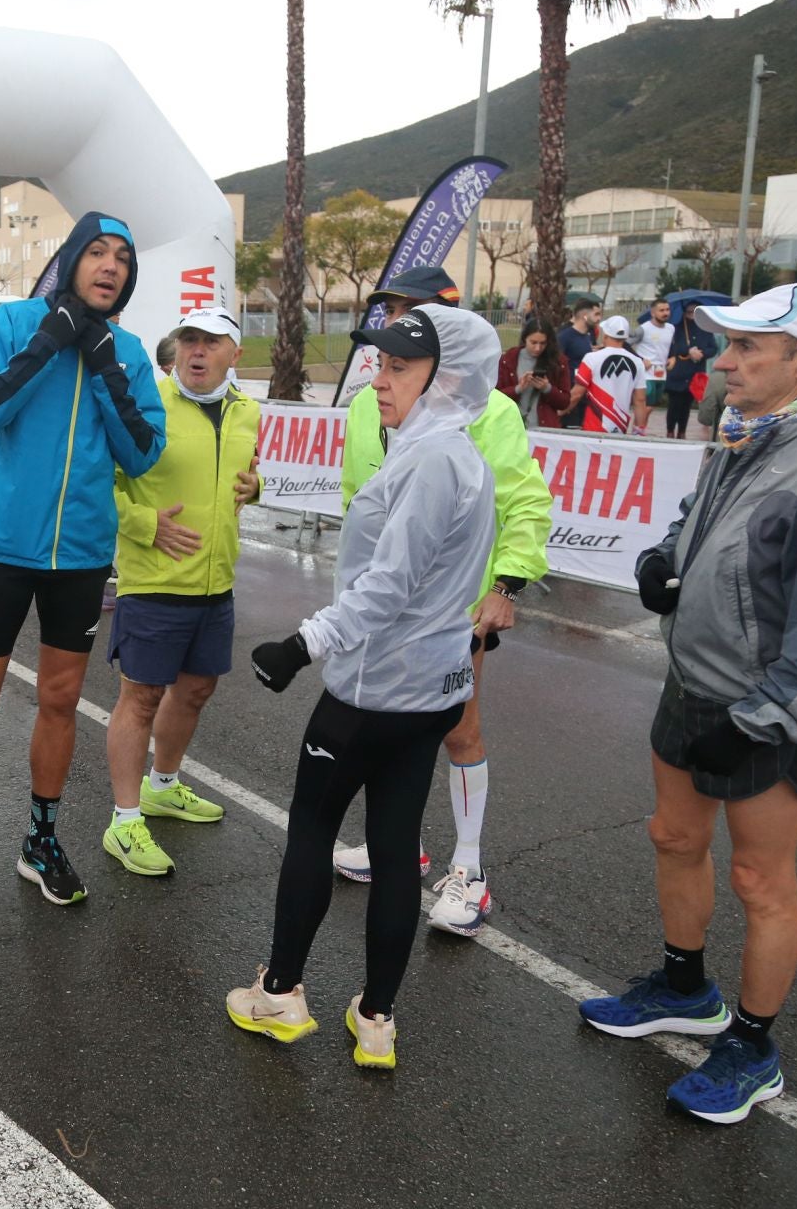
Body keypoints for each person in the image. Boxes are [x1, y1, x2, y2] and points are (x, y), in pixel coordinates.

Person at [580, 281, 797, 1125]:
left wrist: (764, 721)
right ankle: (686, 990)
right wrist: (662, 555)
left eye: (747, 348)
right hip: (692, 683)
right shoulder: (745, 433)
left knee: (761, 880)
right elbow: (695, 516)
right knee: (674, 837)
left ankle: (753, 1048)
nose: (724, 360)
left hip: (764, 708)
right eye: (729, 345)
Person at [226, 304, 499, 1064]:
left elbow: (391, 584)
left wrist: (303, 643)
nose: (380, 379)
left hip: (373, 690)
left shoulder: (433, 459)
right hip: (429, 691)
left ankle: (278, 996)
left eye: (400, 367)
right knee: (391, 848)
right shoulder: (452, 452)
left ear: (448, 379)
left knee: (312, 833)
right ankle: (375, 1020)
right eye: (380, 362)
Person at [0, 211, 165, 906]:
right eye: (98, 251)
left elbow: (144, 453)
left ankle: (41, 837)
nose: (111, 265)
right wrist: (50, 343)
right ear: (70, 259)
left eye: (123, 256)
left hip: (82, 556)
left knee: (58, 700)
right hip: (1, 547)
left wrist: (105, 364)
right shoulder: (11, 326)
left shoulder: (130, 350)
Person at [337, 268, 552, 936]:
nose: (394, 330)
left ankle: (470, 873)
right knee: (386, 728)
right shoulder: (368, 404)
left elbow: (524, 502)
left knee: (457, 729)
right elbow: (359, 506)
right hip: (382, 607)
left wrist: (506, 585)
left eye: (409, 314)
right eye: (390, 314)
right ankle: (394, 844)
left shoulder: (492, 411)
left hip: (453, 610)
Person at [102, 306, 257, 876]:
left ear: (234, 355)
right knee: (139, 698)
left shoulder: (247, 412)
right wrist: (146, 525)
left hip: (217, 583)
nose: (197, 351)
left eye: (211, 342)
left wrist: (256, 487)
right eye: (189, 340)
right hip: (154, 581)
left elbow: (240, 477)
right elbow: (104, 483)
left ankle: (161, 787)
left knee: (195, 691)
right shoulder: (149, 407)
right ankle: (123, 822)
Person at [576, 316, 649, 434]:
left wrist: (561, 412)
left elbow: (577, 393)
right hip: (620, 426)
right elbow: (640, 400)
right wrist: (639, 430)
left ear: (605, 335)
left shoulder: (591, 358)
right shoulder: (637, 362)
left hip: (593, 426)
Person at [494, 319, 572, 428]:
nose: (538, 348)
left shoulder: (559, 362)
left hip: (543, 429)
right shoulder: (508, 360)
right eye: (533, 342)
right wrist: (518, 389)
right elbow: (494, 397)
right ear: (524, 338)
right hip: (510, 427)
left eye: (543, 343)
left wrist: (547, 388)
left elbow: (565, 402)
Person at [638, 299, 675, 409]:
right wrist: (640, 360)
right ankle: (639, 426)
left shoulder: (671, 328)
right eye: (661, 310)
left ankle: (640, 425)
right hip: (646, 373)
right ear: (653, 313)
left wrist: (672, 357)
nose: (665, 313)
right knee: (645, 405)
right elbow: (626, 344)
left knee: (652, 406)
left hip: (661, 373)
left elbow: (671, 345)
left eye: (667, 310)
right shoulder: (643, 329)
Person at [556, 296, 600, 384]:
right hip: (571, 389)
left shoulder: (588, 335)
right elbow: (556, 364)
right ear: (585, 317)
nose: (599, 319)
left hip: (585, 387)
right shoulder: (564, 337)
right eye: (596, 315)